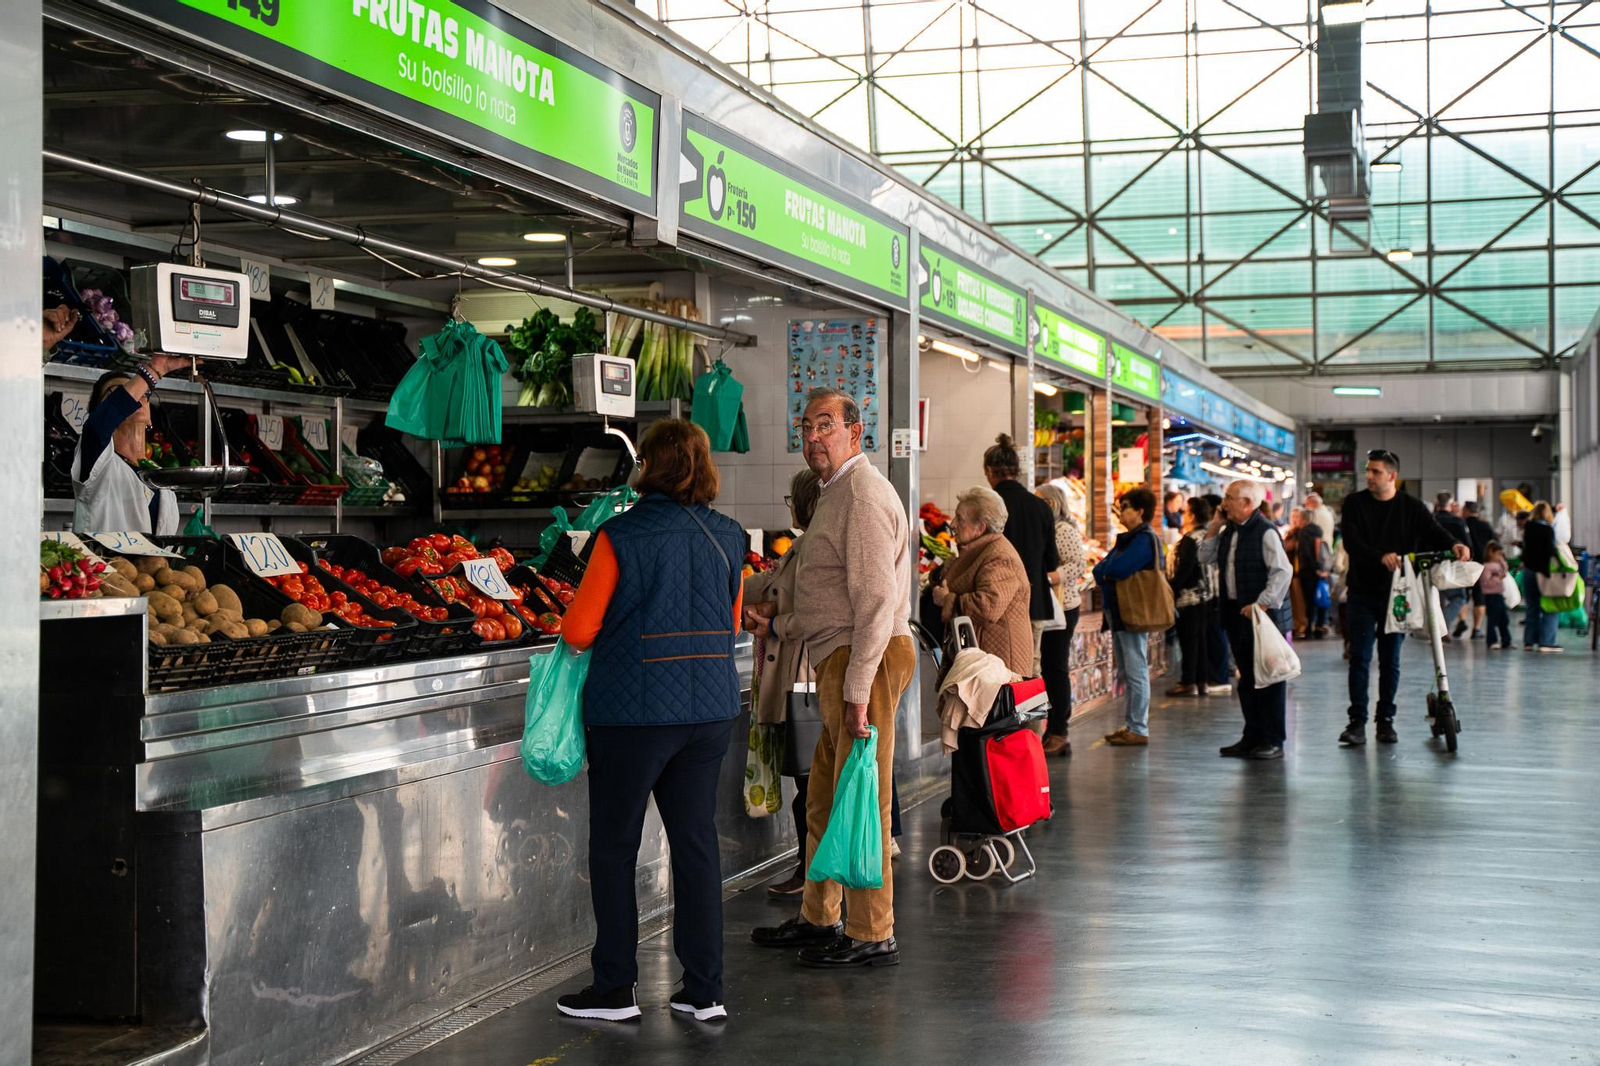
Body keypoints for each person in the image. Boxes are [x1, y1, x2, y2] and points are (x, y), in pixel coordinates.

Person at [556, 419, 747, 1023]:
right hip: (709, 712)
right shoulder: (730, 536)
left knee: (614, 848)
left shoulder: (619, 536)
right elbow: (733, 624)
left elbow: (579, 631)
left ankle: (615, 989)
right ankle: (704, 990)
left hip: (632, 715)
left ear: (648, 468)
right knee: (696, 846)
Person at [751, 388, 915, 970]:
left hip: (862, 661)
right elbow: (832, 599)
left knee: (862, 796)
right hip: (840, 656)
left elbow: (874, 603)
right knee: (824, 795)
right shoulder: (834, 494)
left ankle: (873, 930)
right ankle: (820, 917)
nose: (813, 436)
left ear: (855, 431)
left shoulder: (864, 494)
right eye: (806, 427)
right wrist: (784, 621)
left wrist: (855, 694)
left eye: (826, 424)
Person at [1337, 450, 1470, 746]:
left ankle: (1386, 721)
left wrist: (1456, 544)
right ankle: (1356, 722)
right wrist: (1379, 556)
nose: (1369, 476)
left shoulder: (1412, 507)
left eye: (1375, 472)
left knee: (1390, 661)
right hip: (1361, 593)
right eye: (1368, 471)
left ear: (1392, 476)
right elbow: (1351, 542)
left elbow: (1433, 531)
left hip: (1397, 596)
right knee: (1359, 658)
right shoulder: (1355, 504)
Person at [745, 469, 822, 900]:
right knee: (807, 784)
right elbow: (775, 586)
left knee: (810, 785)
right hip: (798, 674)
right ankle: (809, 870)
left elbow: (808, 612)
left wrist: (772, 622)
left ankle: (811, 873)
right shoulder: (803, 546)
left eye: (793, 499)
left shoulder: (813, 548)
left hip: (804, 679)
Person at [1199, 481, 1294, 760]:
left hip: (1262, 618)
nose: (1224, 502)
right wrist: (1215, 526)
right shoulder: (1229, 531)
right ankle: (1252, 736)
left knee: (1269, 678)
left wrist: (1263, 602)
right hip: (1234, 614)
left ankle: (1273, 739)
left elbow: (1282, 571)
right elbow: (1204, 557)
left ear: (1248, 504)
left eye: (1230, 498)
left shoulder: (1265, 532)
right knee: (1248, 679)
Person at [72, 358, 192, 536]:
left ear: (150, 418)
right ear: (104, 412)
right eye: (118, 393)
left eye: (143, 393)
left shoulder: (162, 481)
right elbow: (97, 427)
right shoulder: (98, 461)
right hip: (106, 564)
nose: (136, 398)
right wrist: (155, 369)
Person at [930, 487, 1033, 675]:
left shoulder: (1000, 557)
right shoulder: (979, 551)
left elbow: (988, 606)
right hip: (984, 660)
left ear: (980, 528)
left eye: (960, 519)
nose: (952, 524)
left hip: (998, 666)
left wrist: (947, 600)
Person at [982, 434, 1060, 674]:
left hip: (997, 605)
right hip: (1034, 603)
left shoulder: (987, 506)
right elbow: (1051, 562)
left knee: (996, 674)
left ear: (989, 470)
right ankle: (1033, 713)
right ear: (1016, 470)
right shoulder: (1040, 507)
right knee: (1029, 671)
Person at [1092, 487, 1164, 747]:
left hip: (1132, 612)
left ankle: (1138, 727)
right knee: (1127, 670)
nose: (1120, 513)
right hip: (1121, 613)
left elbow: (1116, 568)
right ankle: (1132, 724)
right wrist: (1106, 570)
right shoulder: (1129, 538)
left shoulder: (1143, 539)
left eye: (1125, 507)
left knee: (1135, 670)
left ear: (1140, 511)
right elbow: (1100, 569)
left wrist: (1106, 570)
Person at [1036, 484, 1084, 756]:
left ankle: (1059, 732)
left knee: (1056, 669)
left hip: (1063, 607)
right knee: (1049, 668)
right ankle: (1051, 729)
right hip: (1052, 607)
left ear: (1052, 504)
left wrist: (1049, 579)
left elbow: (1078, 564)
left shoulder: (1062, 530)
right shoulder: (1047, 528)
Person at [1167, 496, 1217, 698]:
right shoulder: (1208, 535)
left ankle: (1188, 681)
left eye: (1185, 512)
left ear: (1192, 516)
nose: (1183, 515)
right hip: (1208, 597)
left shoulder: (1190, 540)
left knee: (1189, 641)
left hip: (1190, 597)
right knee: (1202, 642)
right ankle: (1201, 681)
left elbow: (1185, 570)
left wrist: (1170, 590)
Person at [1520, 501, 1562, 653]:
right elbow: (1550, 551)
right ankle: (1546, 642)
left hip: (1528, 571)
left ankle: (1529, 642)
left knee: (1532, 607)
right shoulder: (1548, 530)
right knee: (1550, 607)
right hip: (1543, 573)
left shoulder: (1528, 528)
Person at [1432, 494, 1472, 642]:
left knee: (1438, 599)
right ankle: (1441, 626)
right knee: (1460, 597)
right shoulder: (1458, 522)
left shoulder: (1431, 520)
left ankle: (1440, 629)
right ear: (1451, 505)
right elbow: (1468, 544)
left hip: (1432, 565)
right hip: (1453, 565)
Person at [1460, 501, 1496, 639]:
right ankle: (1476, 628)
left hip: (1464, 564)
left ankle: (1462, 620)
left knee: (1463, 595)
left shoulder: (1462, 524)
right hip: (1482, 565)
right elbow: (1494, 543)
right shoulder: (1485, 525)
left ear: (1467, 511)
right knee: (1479, 597)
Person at [1293, 507, 1330, 639]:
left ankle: (1309, 629)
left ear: (1303, 519)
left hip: (1308, 571)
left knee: (1309, 601)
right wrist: (1320, 568)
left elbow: (1306, 553)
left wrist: (1313, 568)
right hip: (1320, 569)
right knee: (1320, 598)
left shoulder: (1303, 532)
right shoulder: (1318, 530)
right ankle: (1320, 626)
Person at [1479, 542, 1513, 650]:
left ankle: (1506, 641)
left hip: (1499, 595)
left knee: (1504, 619)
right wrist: (1499, 578)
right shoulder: (1486, 567)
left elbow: (1505, 568)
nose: (1500, 557)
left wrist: (1502, 561)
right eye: (1498, 554)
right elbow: (1485, 583)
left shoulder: (1498, 565)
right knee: (1493, 619)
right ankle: (1491, 641)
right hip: (1491, 596)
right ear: (1490, 553)